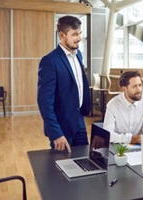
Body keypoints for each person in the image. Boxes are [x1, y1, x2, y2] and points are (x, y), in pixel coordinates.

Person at [37, 15, 91, 152]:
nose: (79, 38)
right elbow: (45, 102)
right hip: (61, 125)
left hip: (79, 120)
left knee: (84, 160)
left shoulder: (78, 55)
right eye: (74, 34)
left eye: (80, 33)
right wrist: (56, 133)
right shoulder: (49, 61)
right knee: (62, 168)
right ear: (62, 35)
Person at [103, 71, 143, 144]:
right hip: (117, 147)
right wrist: (130, 139)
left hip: (139, 147)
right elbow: (108, 134)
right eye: (134, 86)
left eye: (140, 85)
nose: (139, 90)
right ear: (124, 89)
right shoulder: (113, 105)